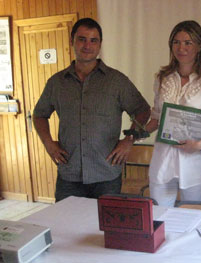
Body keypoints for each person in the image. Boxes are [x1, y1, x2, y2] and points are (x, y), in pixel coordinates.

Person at [33, 18, 150, 202]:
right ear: (72, 41)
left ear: (100, 44)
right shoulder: (56, 83)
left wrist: (128, 140)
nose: (87, 45)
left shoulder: (116, 81)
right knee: (67, 227)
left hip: (106, 173)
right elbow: (39, 115)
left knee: (104, 229)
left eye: (93, 40)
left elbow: (143, 110)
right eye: (82, 39)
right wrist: (48, 143)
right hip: (69, 174)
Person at [144, 20, 201, 207]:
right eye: (176, 42)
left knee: (192, 218)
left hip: (195, 164)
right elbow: (157, 118)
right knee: (159, 218)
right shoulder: (162, 79)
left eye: (188, 42)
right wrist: (138, 133)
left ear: (199, 46)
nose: (181, 47)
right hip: (163, 161)